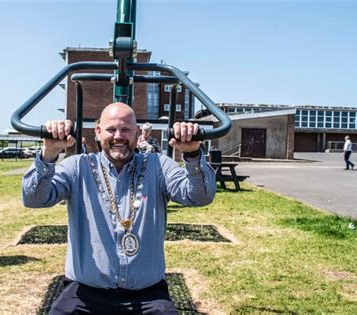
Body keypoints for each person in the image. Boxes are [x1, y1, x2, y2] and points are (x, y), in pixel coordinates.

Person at [22, 102, 216, 314]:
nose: (118, 136)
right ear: (98, 132)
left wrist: (193, 155)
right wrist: (49, 153)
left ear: (137, 133)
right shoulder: (78, 166)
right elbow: (34, 199)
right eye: (111, 129)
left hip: (147, 294)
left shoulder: (158, 165)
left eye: (125, 130)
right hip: (86, 292)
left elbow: (200, 196)